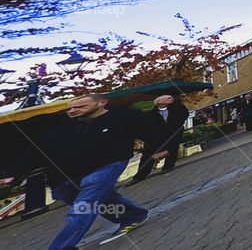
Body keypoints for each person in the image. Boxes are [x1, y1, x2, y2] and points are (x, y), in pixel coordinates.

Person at [0, 94, 168, 248]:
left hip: (108, 165)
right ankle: (132, 215)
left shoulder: (123, 116)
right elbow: (36, 152)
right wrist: (12, 173)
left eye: (80, 106)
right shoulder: (61, 129)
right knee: (80, 196)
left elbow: (149, 132)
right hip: (67, 176)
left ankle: (62, 246)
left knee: (84, 206)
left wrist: (159, 148)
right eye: (69, 109)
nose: (72, 110)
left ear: (102, 103)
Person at [128, 95, 188, 185]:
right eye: (167, 98)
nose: (171, 98)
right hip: (155, 136)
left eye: (171, 97)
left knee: (172, 148)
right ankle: (140, 175)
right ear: (159, 102)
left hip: (172, 133)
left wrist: (179, 125)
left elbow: (184, 114)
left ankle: (168, 166)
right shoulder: (150, 114)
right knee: (148, 154)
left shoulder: (177, 108)